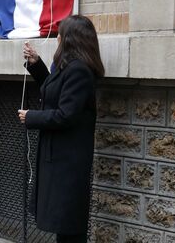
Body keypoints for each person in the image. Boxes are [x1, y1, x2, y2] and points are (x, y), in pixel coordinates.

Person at [18, 15, 105, 243]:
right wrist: (36, 64)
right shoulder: (69, 68)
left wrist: (31, 117)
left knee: (69, 226)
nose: (57, 38)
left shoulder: (79, 71)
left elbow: (66, 115)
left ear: (70, 39)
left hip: (69, 163)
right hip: (59, 159)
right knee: (62, 225)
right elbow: (52, 89)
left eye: (60, 34)